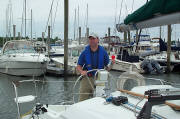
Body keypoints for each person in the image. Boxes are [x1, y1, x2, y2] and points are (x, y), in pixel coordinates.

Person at [76, 32, 111, 101]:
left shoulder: (103, 52)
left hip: (99, 78)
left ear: (98, 40)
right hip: (87, 78)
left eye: (93, 39)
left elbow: (108, 66)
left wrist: (111, 64)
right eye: (90, 39)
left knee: (99, 99)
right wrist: (82, 71)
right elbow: (78, 65)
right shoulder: (84, 52)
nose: (91, 40)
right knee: (82, 99)